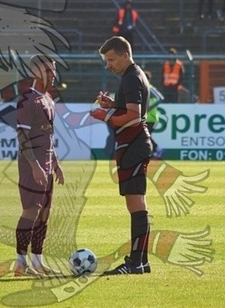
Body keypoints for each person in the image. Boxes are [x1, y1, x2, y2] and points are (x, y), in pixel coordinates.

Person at [90, 36, 152, 275]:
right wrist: (113, 105)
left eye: (112, 59)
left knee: (136, 204)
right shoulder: (134, 75)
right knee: (136, 203)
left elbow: (134, 117)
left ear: (125, 55)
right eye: (107, 61)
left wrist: (105, 116)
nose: (109, 65)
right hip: (133, 144)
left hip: (133, 144)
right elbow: (130, 109)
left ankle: (136, 262)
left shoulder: (131, 78)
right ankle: (141, 261)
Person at [14, 55, 65, 277]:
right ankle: (20, 263)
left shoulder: (48, 99)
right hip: (31, 164)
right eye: (48, 70)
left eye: (53, 70)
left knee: (44, 213)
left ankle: (37, 262)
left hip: (46, 162)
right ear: (35, 72)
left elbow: (48, 136)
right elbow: (22, 137)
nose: (52, 75)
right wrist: (35, 165)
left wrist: (56, 163)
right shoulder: (27, 100)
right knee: (31, 210)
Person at [145, 71, 165, 158]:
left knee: (145, 136)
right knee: (144, 136)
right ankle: (153, 151)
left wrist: (149, 108)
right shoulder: (143, 88)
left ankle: (157, 149)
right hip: (146, 117)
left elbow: (160, 98)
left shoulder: (149, 88)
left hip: (151, 118)